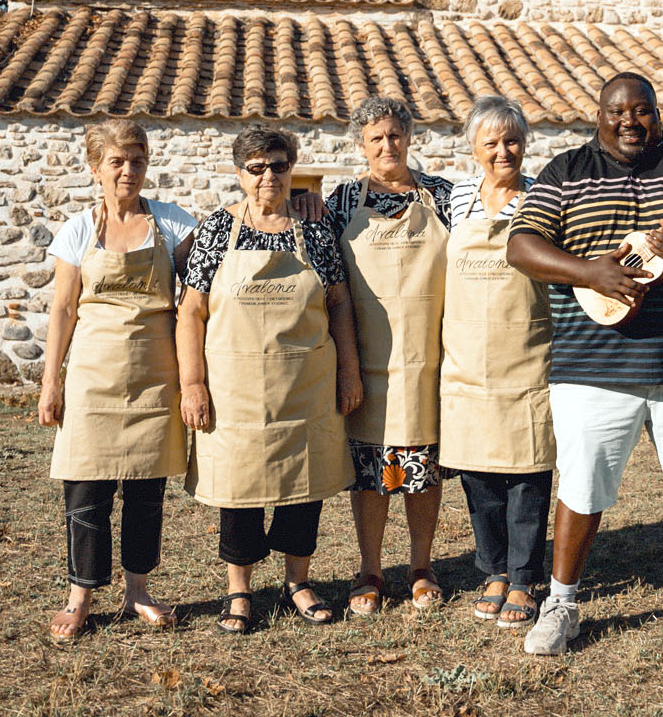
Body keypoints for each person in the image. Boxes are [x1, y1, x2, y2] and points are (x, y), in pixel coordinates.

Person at [505, 72, 663, 657]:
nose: (630, 121)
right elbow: (521, 246)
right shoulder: (566, 171)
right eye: (617, 111)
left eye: (641, 110)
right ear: (599, 114)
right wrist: (589, 272)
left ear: (657, 112)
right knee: (581, 487)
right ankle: (562, 605)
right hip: (590, 363)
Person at [177, 126, 363, 634]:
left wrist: (349, 369)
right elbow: (191, 312)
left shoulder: (316, 229)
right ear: (240, 174)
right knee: (239, 491)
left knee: (304, 487)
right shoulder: (216, 229)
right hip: (235, 388)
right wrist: (192, 383)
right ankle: (239, 591)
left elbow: (339, 302)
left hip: (306, 383)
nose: (268, 177)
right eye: (256, 168)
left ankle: (298, 583)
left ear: (291, 169)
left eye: (279, 166)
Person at [37, 120, 199, 642]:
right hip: (91, 375)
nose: (129, 170)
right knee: (85, 489)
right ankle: (80, 597)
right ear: (95, 168)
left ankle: (138, 592)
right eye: (117, 161)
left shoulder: (173, 224)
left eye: (137, 159)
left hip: (155, 377)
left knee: (147, 490)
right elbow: (62, 309)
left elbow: (202, 289)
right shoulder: (78, 230)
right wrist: (51, 382)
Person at [325, 96, 457, 615]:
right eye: (376, 138)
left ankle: (422, 566)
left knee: (421, 468)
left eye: (395, 135)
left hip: (431, 358)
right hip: (367, 361)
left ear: (409, 138)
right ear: (362, 144)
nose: (387, 145)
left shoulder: (444, 197)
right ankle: (371, 568)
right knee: (373, 469)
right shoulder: (339, 203)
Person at [440, 95, 553, 630]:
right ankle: (493, 571)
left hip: (527, 358)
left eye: (512, 141)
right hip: (465, 361)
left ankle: (525, 577)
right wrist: (312, 202)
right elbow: (388, 190)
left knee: (527, 477)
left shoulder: (542, 199)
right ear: (473, 149)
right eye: (492, 142)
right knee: (478, 477)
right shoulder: (454, 198)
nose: (503, 151)